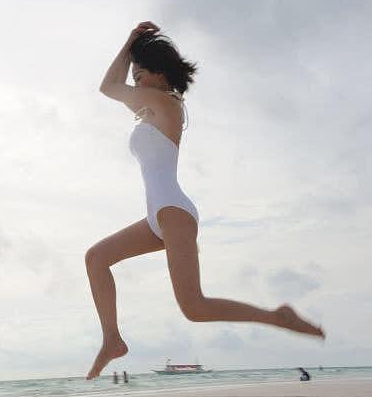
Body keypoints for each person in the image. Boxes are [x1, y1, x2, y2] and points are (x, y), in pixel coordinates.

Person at [85, 20, 325, 380]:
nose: (134, 80)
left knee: (194, 307)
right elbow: (115, 88)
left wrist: (130, 42)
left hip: (173, 211)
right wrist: (134, 50)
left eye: (140, 73)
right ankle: (112, 339)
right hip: (159, 215)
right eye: (133, 73)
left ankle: (278, 317)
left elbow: (108, 87)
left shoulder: (164, 104)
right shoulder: (149, 112)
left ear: (161, 76)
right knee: (97, 258)